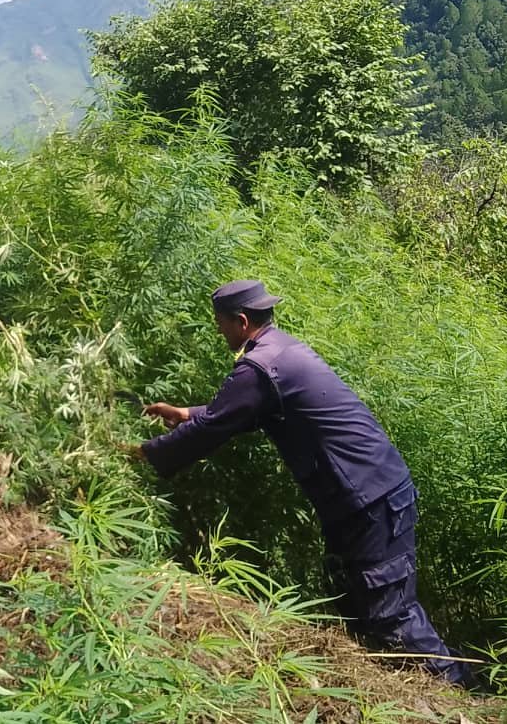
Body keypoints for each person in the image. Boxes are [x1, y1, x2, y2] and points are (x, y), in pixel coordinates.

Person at [127, 280, 473, 687]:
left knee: (390, 612)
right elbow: (238, 411)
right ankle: (403, 694)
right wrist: (186, 412)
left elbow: (215, 428)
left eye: (220, 324)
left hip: (370, 500)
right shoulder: (282, 351)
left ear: (240, 321)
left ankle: (463, 694)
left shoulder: (259, 366)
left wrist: (140, 453)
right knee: (362, 601)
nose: (219, 331)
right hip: (370, 493)